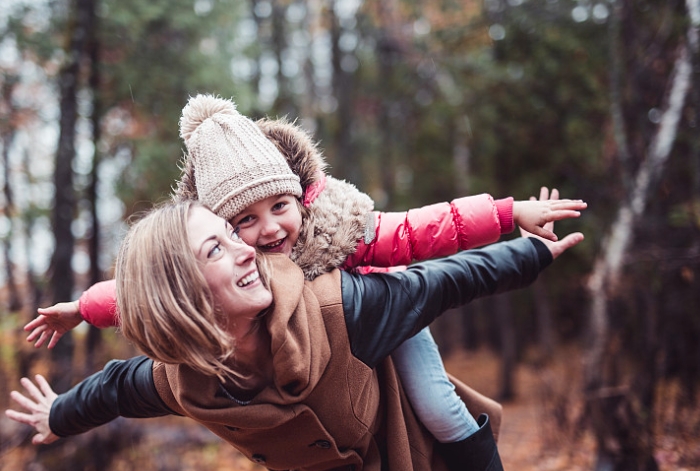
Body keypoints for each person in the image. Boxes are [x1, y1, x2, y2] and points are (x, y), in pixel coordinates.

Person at [24, 95, 586, 466]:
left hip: (385, 312)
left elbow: (432, 248)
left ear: (299, 196)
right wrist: (78, 314)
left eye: (279, 208)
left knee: (438, 405)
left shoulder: (343, 244)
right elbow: (129, 337)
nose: (266, 233)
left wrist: (517, 226)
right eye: (239, 225)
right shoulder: (187, 371)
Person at [7, 200, 584, 471]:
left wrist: (532, 248)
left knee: (445, 413)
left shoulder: (344, 308)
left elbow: (445, 280)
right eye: (219, 244)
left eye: (232, 235)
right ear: (182, 293)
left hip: (415, 460)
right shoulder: (184, 380)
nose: (246, 247)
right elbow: (113, 388)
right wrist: (57, 416)